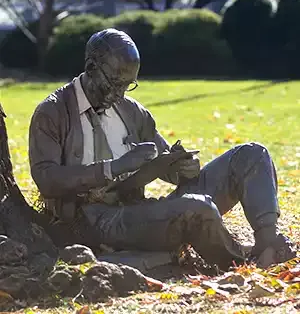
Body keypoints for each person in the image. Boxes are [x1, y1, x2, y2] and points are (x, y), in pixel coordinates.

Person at [29, 28, 296, 270]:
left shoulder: (131, 111)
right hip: (95, 220)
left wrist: (182, 168)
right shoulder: (53, 112)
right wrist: (113, 168)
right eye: (114, 83)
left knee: (251, 154)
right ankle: (243, 261)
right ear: (91, 66)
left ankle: (267, 241)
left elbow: (165, 164)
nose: (119, 93)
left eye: (127, 85)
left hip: (138, 210)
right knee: (197, 209)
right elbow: (46, 180)